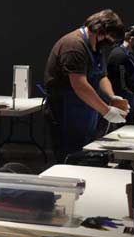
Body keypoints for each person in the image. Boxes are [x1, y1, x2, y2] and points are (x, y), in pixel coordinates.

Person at [44, 9, 128, 161]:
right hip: (66, 110)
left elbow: (102, 76)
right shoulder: (74, 45)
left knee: (85, 154)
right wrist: (106, 111)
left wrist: (112, 96)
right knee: (69, 157)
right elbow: (80, 85)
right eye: (111, 39)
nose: (110, 44)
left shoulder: (96, 47)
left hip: (86, 109)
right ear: (100, 30)